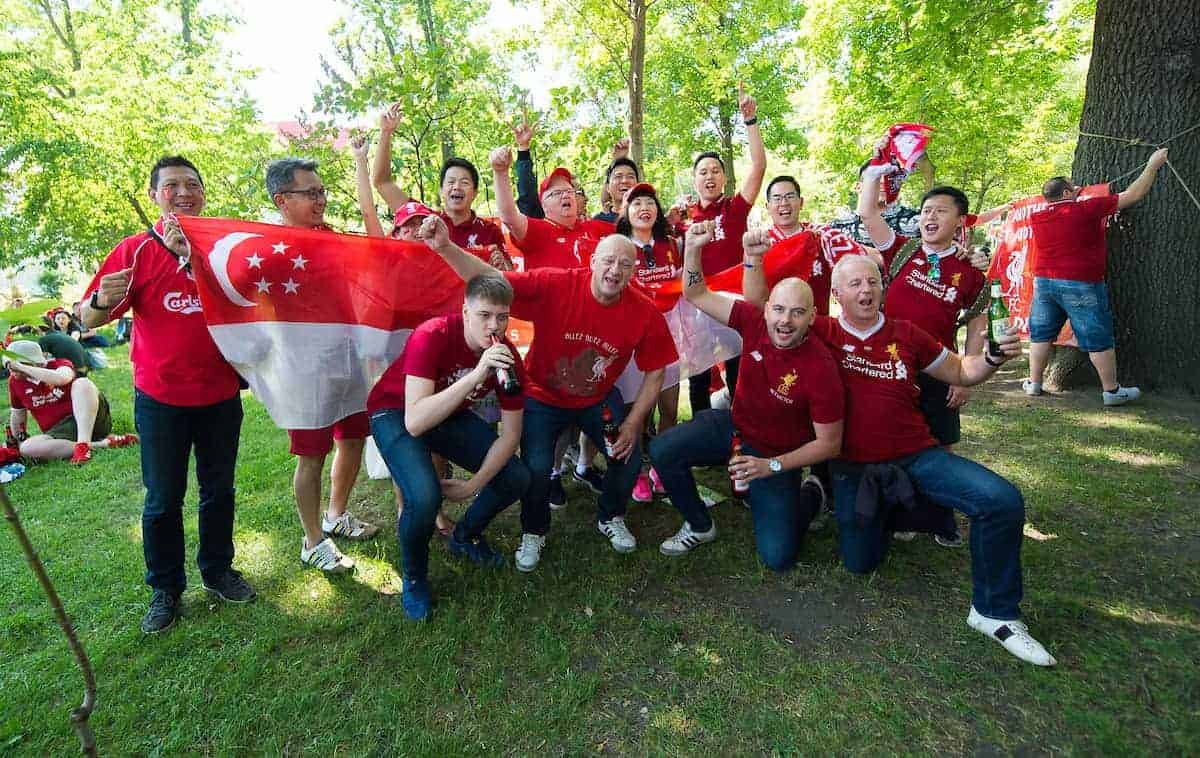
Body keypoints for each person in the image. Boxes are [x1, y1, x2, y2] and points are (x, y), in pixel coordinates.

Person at [777, 254, 1055, 666]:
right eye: (854, 284)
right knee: (860, 563)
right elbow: (766, 312)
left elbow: (961, 370)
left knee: (1001, 500)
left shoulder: (907, 334)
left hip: (917, 455)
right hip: (855, 468)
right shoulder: (820, 330)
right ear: (835, 296)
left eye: (872, 281)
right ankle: (888, 510)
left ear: (883, 286)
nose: (865, 290)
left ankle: (994, 612)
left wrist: (993, 358)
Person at [418, 214, 678, 571]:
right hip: (543, 394)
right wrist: (446, 247)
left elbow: (656, 371)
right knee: (537, 467)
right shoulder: (558, 285)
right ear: (592, 262)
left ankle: (611, 516)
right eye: (608, 260)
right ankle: (534, 530)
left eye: (624, 264)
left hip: (597, 399)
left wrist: (634, 422)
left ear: (634, 271)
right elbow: (494, 282)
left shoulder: (644, 312)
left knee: (627, 455)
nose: (615, 270)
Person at [81, 155, 255, 634]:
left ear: (203, 194)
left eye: (192, 185)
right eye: (172, 185)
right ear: (156, 194)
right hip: (159, 400)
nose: (183, 192)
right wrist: (100, 300)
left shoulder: (222, 249)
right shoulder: (134, 250)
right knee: (162, 500)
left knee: (219, 491)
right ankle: (166, 589)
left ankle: (218, 571)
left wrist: (196, 260)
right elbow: (89, 319)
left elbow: (252, 305)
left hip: (219, 396)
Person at [649, 224, 843, 570]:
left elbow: (830, 444)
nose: (785, 321)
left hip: (775, 456)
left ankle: (812, 494)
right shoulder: (753, 320)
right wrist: (692, 248)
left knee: (778, 557)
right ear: (767, 308)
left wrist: (770, 466)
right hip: (734, 430)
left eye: (798, 313)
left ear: (812, 317)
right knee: (662, 449)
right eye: (779, 309)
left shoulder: (821, 366)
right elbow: (696, 294)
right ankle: (699, 524)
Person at [368, 274, 532, 620]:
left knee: (516, 476)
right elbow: (414, 421)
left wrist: (473, 485)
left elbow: (511, 435)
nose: (494, 326)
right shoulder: (433, 334)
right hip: (396, 412)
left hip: (448, 413)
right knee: (424, 495)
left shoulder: (507, 357)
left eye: (502, 317)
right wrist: (476, 375)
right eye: (484, 315)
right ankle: (414, 576)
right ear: (465, 311)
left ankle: (465, 536)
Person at [857, 177, 991, 547]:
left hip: (938, 367)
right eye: (926, 211)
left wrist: (964, 377)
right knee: (890, 438)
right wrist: (876, 170)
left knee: (940, 443)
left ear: (959, 222)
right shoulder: (901, 249)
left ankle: (941, 517)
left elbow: (978, 326)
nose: (930, 217)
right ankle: (900, 508)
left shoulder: (971, 273)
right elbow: (868, 212)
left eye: (940, 211)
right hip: (887, 363)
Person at [266, 157, 379, 575]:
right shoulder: (268, 250)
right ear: (282, 200)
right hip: (304, 367)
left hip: (347, 358)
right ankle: (312, 540)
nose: (321, 200)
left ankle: (336, 514)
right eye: (310, 193)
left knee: (352, 437)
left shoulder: (330, 238)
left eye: (322, 191)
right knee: (311, 453)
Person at [350, 134, 457, 538]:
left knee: (438, 437)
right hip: (396, 368)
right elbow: (367, 212)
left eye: (419, 222)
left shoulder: (445, 261)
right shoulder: (386, 260)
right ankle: (404, 506)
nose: (413, 229)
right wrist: (361, 160)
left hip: (437, 364)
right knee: (408, 439)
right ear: (395, 235)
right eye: (405, 225)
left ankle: (438, 509)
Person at [1023, 148, 1169, 406]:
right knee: (1096, 335)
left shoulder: (1037, 216)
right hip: (1080, 284)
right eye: (1072, 188)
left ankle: (1034, 383)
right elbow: (1134, 194)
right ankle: (1112, 391)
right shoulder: (1087, 209)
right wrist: (1152, 165)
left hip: (1044, 283)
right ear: (1067, 193)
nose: (1077, 189)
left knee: (1041, 334)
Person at [675, 84, 766, 416]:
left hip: (734, 304)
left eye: (715, 171)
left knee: (740, 370)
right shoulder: (681, 220)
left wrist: (750, 120)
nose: (709, 176)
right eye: (703, 172)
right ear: (695, 180)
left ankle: (742, 431)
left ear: (724, 179)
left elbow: (757, 167)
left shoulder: (734, 209)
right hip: (697, 306)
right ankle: (702, 434)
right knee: (698, 376)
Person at [372, 103, 511, 269]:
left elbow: (510, 273)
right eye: (451, 182)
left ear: (475, 193)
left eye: (464, 182)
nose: (457, 187)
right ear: (441, 192)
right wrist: (386, 132)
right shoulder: (424, 221)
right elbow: (382, 182)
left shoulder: (489, 231)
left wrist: (502, 266)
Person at [613, 182, 684, 501]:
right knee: (638, 410)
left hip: (670, 335)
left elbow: (684, 281)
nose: (644, 207)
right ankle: (638, 471)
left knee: (669, 407)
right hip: (633, 340)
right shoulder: (619, 248)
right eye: (636, 202)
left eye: (650, 202)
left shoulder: (670, 243)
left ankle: (661, 466)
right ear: (626, 212)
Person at [4, 340, 137, 463]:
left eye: (17, 364)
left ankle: (84, 444)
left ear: (35, 362)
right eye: (10, 364)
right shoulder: (15, 382)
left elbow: (61, 378)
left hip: (90, 418)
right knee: (27, 448)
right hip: (61, 432)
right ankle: (102, 444)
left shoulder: (59, 364)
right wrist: (16, 442)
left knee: (82, 383)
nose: (12, 369)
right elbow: (18, 414)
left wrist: (23, 368)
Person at [491, 145, 610, 271]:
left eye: (569, 191)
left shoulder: (595, 227)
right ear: (544, 205)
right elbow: (508, 216)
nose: (565, 195)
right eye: (557, 193)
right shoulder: (535, 230)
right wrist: (500, 172)